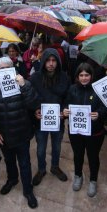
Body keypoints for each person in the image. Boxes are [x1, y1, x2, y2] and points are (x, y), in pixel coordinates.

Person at [0, 57, 39, 209]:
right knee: (9, 161)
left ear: (13, 69)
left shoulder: (23, 83)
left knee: (25, 163)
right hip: (3, 136)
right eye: (1, 69)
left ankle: (28, 190)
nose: (4, 71)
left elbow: (34, 104)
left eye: (8, 68)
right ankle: (12, 179)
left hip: (22, 133)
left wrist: (24, 85)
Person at [63, 63, 107, 197]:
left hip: (95, 132)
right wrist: (65, 110)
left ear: (91, 76)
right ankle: (78, 176)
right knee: (78, 155)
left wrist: (99, 114)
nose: (84, 78)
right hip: (76, 131)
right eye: (81, 75)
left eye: (86, 75)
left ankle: (93, 180)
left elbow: (105, 107)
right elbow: (66, 103)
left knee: (93, 157)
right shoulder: (72, 89)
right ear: (77, 76)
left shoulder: (98, 90)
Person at [29, 48, 70, 186]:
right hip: (41, 122)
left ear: (58, 62)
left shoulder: (65, 77)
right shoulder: (35, 78)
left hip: (58, 121)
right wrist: (35, 110)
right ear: (43, 62)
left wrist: (64, 110)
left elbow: (68, 98)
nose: (51, 64)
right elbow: (30, 97)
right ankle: (41, 169)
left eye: (54, 60)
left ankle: (55, 166)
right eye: (48, 60)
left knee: (57, 147)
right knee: (41, 148)